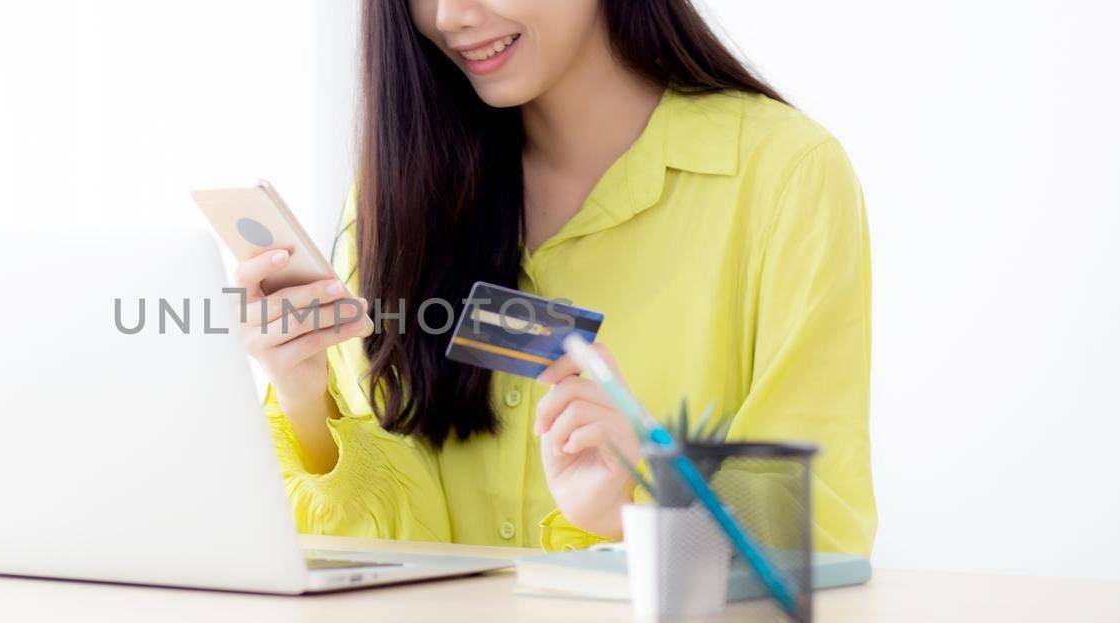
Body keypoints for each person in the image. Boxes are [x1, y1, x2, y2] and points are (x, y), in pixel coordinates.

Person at [233, 0, 875, 554]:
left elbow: (819, 533)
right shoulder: (395, 198)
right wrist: (304, 400)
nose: (450, 16)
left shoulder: (782, 177)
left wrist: (636, 504)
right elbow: (390, 562)